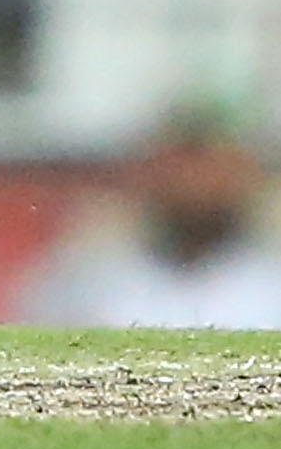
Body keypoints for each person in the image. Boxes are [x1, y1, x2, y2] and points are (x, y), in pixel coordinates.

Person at [21, 109, 281, 328]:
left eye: (212, 169)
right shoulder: (91, 279)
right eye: (180, 167)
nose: (194, 183)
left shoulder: (270, 279)